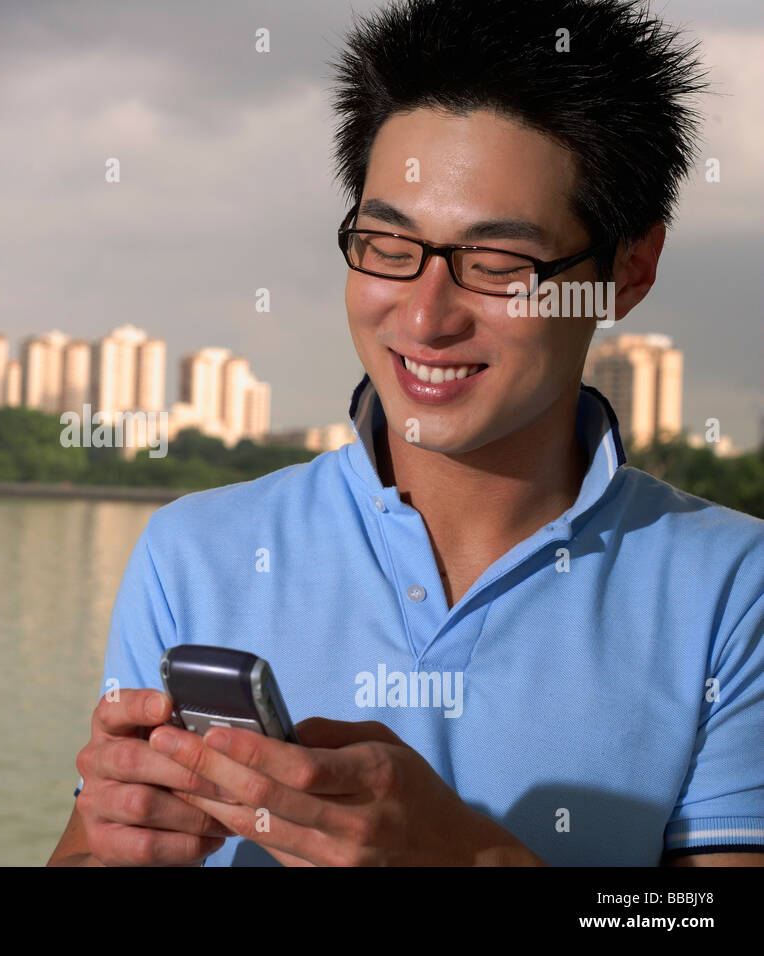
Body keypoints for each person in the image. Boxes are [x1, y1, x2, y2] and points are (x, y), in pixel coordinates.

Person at [48, 0, 764, 866]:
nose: (425, 318)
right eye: (388, 243)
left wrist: (466, 859)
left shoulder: (734, 593)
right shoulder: (192, 554)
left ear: (628, 271)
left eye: (499, 264)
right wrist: (104, 843)